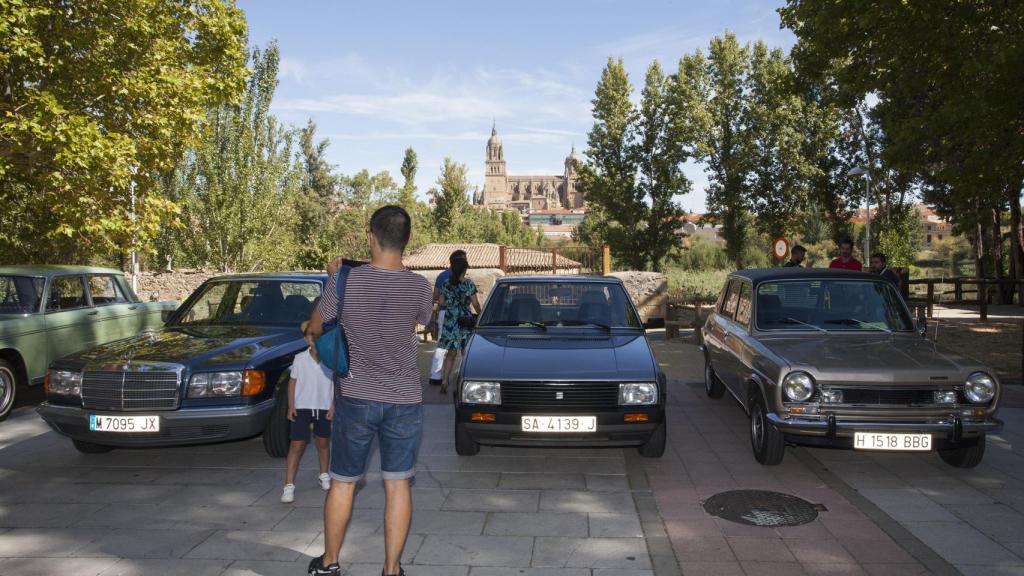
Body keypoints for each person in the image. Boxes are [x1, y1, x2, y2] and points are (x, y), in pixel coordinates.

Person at [306, 205, 432, 576]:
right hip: (405, 398)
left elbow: (315, 328)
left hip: (356, 396)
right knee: (398, 485)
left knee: (343, 483)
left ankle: (330, 564)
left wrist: (333, 279)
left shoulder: (346, 281)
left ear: (370, 237)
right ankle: (391, 570)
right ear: (406, 240)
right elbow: (423, 321)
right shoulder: (420, 287)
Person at [282, 320, 334, 503]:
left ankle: (324, 474)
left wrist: (332, 405)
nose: (314, 338)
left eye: (317, 335)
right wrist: (291, 406)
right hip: (302, 406)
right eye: (310, 335)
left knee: (323, 443)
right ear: (305, 339)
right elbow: (292, 382)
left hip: (323, 406)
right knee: (297, 445)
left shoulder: (329, 358)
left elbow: (335, 383)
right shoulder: (299, 359)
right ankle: (289, 485)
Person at [435, 255, 482, 394]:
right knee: (465, 353)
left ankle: (444, 380)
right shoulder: (468, 284)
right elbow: (475, 304)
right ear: (464, 270)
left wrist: (452, 302)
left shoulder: (446, 284)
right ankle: (467, 380)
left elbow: (441, 302)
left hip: (450, 320)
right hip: (465, 320)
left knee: (450, 353)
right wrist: (480, 315)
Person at [428, 249, 467, 387]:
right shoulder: (465, 279)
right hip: (461, 316)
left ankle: (435, 375)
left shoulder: (441, 276)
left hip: (445, 314)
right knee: (463, 345)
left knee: (442, 344)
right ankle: (466, 374)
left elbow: (435, 297)